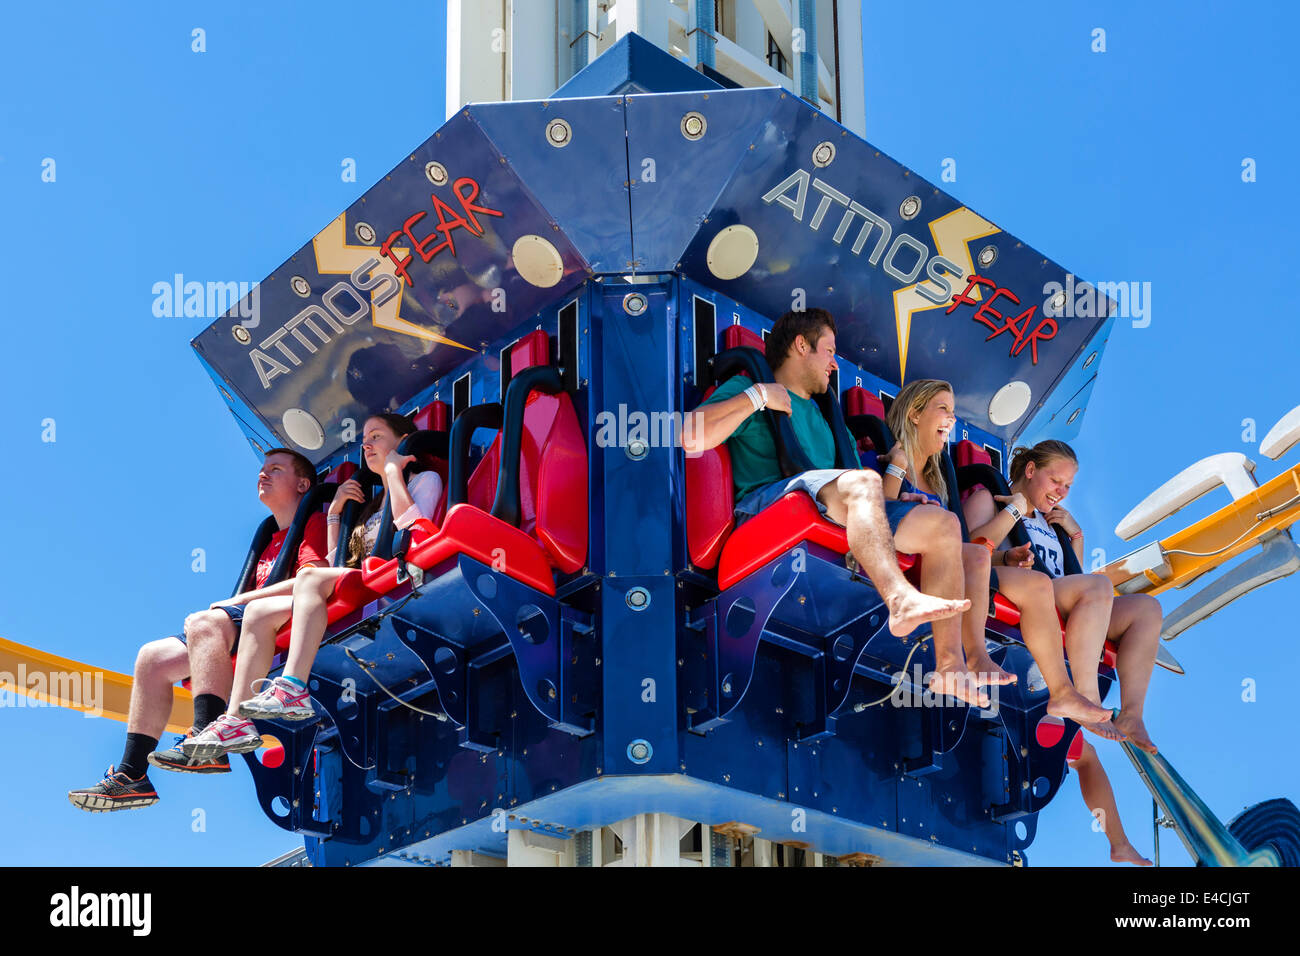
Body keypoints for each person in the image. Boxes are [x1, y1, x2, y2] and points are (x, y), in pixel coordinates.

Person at [684, 308, 985, 707]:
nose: (833, 363)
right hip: (770, 502)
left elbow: (863, 497)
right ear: (801, 345)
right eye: (828, 351)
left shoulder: (830, 419)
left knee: (942, 524)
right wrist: (757, 398)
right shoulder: (750, 386)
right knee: (864, 482)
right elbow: (689, 436)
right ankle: (898, 599)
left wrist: (897, 501)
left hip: (833, 498)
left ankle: (949, 665)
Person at [68, 449, 327, 811]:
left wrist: (230, 604)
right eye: (262, 469)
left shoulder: (314, 521)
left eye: (275, 469)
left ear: (302, 483)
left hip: (284, 611)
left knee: (204, 620)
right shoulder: (268, 536)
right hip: (247, 617)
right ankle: (132, 775)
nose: (262, 475)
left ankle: (210, 737)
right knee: (152, 657)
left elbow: (310, 581)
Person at [182, 413, 443, 758]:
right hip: (355, 577)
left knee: (307, 576)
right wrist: (335, 513)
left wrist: (394, 472)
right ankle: (236, 720)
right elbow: (339, 558)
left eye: (376, 436)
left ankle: (291, 687)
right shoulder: (373, 502)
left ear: (405, 442)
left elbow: (415, 528)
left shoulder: (424, 480)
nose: (366, 445)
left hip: (392, 572)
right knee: (259, 612)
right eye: (364, 438)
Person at [879, 380, 1117, 732]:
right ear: (915, 414)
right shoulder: (893, 456)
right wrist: (897, 466)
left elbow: (975, 549)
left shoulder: (940, 475)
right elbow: (884, 513)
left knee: (1007, 570)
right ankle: (975, 661)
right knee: (991, 562)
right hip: (912, 547)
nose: (952, 418)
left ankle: (1033, 678)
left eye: (953, 411)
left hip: (956, 557)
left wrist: (1016, 556)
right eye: (944, 409)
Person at [965, 440, 1160, 753]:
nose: (1061, 491)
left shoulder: (1052, 522)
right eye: (1055, 481)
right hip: (1018, 589)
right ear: (1030, 470)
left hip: (1056, 594)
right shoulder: (990, 496)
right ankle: (1086, 699)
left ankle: (1132, 714)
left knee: (1146, 609)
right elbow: (971, 552)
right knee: (1099, 587)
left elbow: (1072, 579)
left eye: (1068, 485)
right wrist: (1015, 513)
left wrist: (1076, 537)